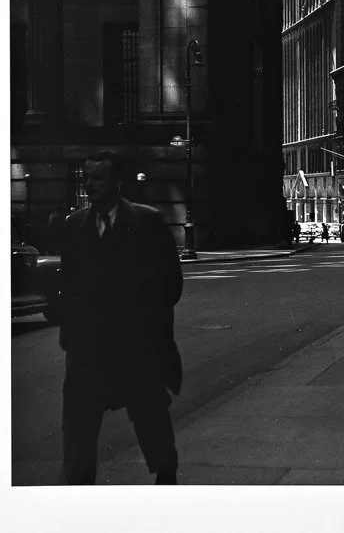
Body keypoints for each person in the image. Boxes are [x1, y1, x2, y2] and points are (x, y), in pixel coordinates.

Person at [58, 150, 183, 485]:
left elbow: (170, 285)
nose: (88, 184)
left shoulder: (147, 222)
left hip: (135, 346)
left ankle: (166, 481)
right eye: (85, 177)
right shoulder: (74, 226)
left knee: (150, 417)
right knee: (79, 427)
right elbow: (68, 285)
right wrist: (71, 337)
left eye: (96, 177)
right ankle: (77, 493)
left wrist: (149, 330)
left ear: (116, 182)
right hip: (87, 350)